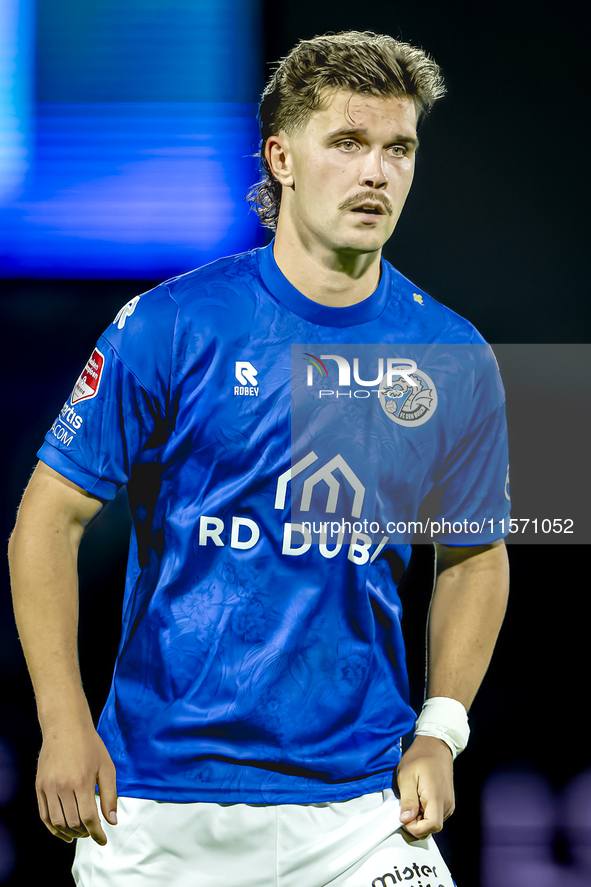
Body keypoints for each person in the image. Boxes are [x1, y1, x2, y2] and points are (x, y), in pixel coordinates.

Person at [8, 30, 510, 887]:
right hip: (159, 808)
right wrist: (63, 719)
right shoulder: (171, 323)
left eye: (398, 148)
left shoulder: (454, 351)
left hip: (358, 810)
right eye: (347, 144)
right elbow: (44, 521)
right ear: (280, 156)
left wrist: (441, 728)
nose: (376, 173)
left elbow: (475, 554)